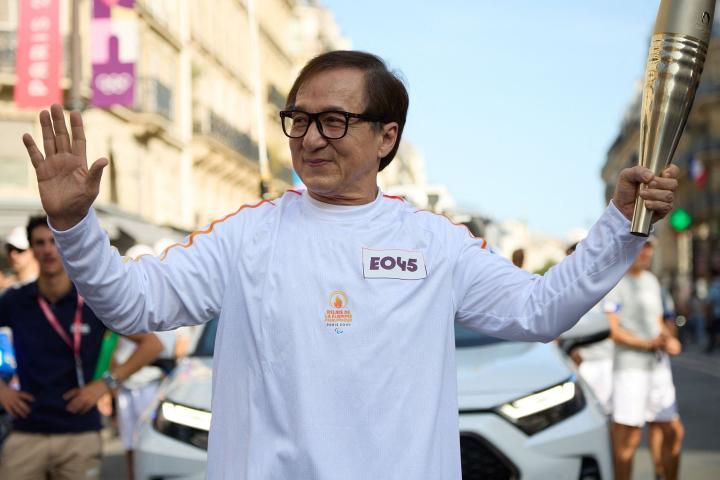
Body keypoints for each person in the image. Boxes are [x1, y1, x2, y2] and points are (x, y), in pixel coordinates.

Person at [21, 51, 679, 479]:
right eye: (299, 119)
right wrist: (75, 227)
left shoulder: (434, 242)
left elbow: (540, 311)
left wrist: (620, 225)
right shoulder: (247, 236)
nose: (311, 138)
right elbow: (134, 304)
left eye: (334, 121)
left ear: (386, 136)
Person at [0, 215, 163, 480]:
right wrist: (2, 391)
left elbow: (151, 344)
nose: (48, 249)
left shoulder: (91, 300)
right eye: (40, 243)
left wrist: (105, 384)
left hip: (80, 432)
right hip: (27, 430)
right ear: (32, 250)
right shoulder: (16, 300)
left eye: (54, 241)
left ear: (65, 246)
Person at [605, 241, 684, 480]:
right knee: (628, 436)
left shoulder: (652, 281)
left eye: (649, 246)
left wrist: (670, 339)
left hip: (658, 366)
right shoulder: (615, 281)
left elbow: (661, 321)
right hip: (630, 370)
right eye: (641, 245)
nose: (645, 251)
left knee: (671, 430)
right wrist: (647, 344)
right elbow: (613, 330)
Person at [2, 226, 39, 290]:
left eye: (19, 250)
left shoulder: (46, 285)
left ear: (32, 250)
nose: (13, 255)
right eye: (10, 249)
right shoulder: (6, 290)